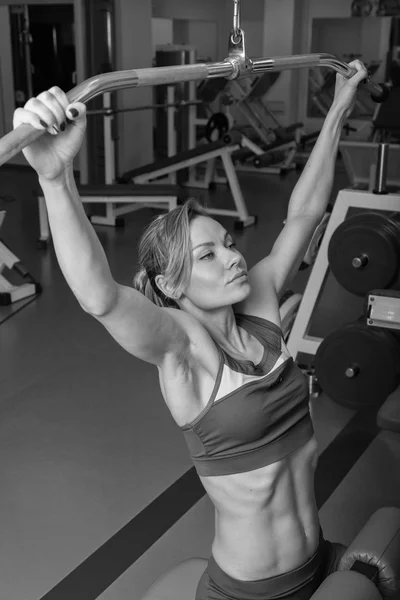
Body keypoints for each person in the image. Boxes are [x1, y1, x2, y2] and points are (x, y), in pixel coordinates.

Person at [14, 60, 368, 600]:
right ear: (172, 283)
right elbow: (100, 298)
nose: (232, 258)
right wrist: (56, 179)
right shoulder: (183, 349)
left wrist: (340, 106)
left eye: (227, 243)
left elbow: (304, 214)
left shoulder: (263, 299)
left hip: (317, 559)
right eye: (207, 255)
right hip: (250, 592)